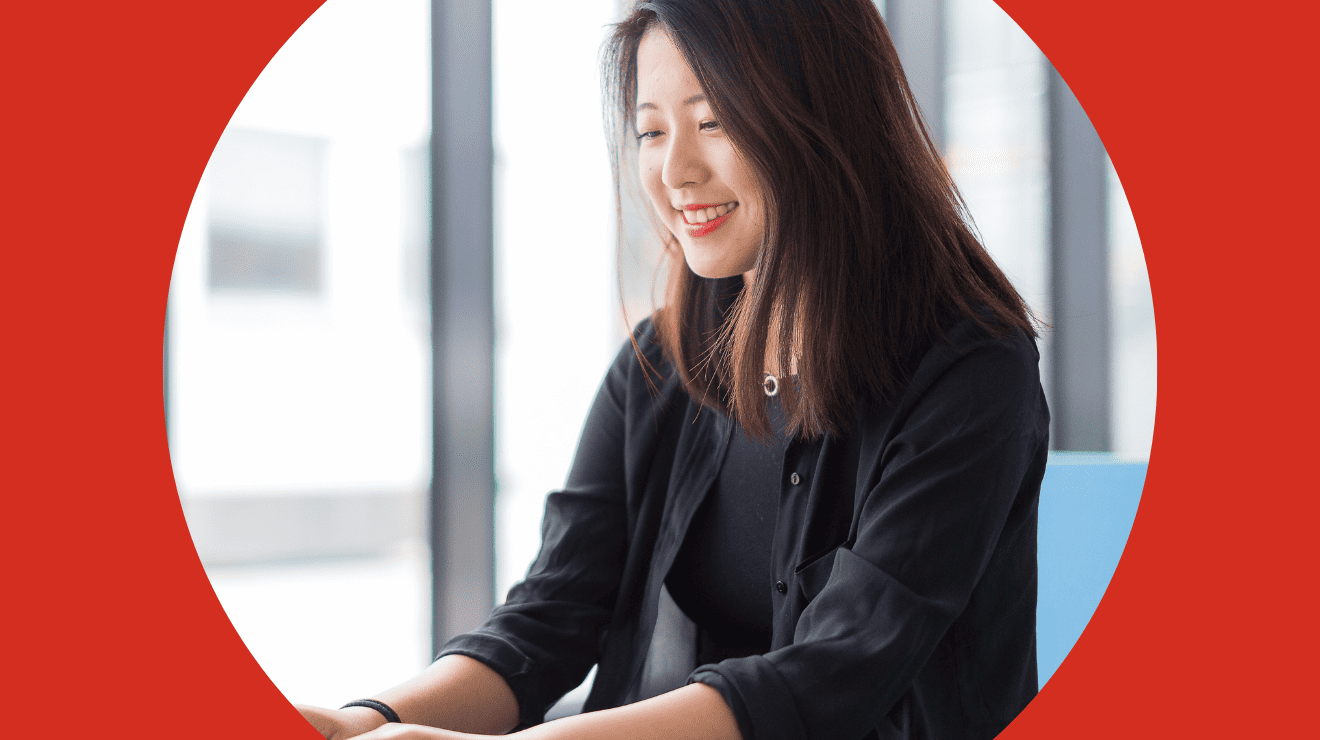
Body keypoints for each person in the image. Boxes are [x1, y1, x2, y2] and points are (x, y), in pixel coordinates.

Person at [299, 0, 1048, 738]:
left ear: (826, 118)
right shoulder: (662, 364)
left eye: (714, 121)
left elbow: (835, 674)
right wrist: (358, 721)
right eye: (651, 131)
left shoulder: (972, 370)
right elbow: (547, 620)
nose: (674, 171)